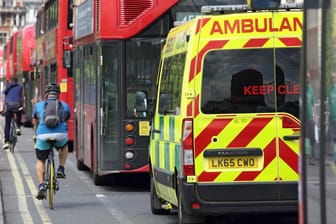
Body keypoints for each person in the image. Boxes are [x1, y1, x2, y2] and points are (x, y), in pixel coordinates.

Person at [32, 83, 71, 200]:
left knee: (40, 160)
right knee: (64, 146)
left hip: (43, 135)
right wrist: (64, 132)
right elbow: (67, 122)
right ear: (58, 95)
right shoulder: (64, 105)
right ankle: (61, 168)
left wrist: (35, 134)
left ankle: (41, 185)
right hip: (60, 135)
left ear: (46, 95)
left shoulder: (38, 105)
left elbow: (35, 121)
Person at [1, 77, 24, 150]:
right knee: (19, 113)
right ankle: (18, 127)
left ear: (10, 81)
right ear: (17, 81)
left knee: (7, 124)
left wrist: (3, 108)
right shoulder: (20, 87)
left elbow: (5, 99)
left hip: (9, 106)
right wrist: (22, 107)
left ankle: (6, 141)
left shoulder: (7, 87)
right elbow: (22, 97)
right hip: (17, 105)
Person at [306, 72, 316, 165]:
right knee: (305, 138)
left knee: (312, 138)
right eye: (306, 78)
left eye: (308, 78)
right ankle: (307, 158)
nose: (308, 79)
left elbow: (313, 104)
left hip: (310, 119)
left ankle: (311, 158)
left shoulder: (310, 89)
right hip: (302, 119)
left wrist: (315, 117)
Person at [329, 72, 336, 164]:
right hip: (332, 118)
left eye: (334, 77)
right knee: (333, 139)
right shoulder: (330, 89)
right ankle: (334, 158)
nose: (333, 78)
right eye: (332, 77)